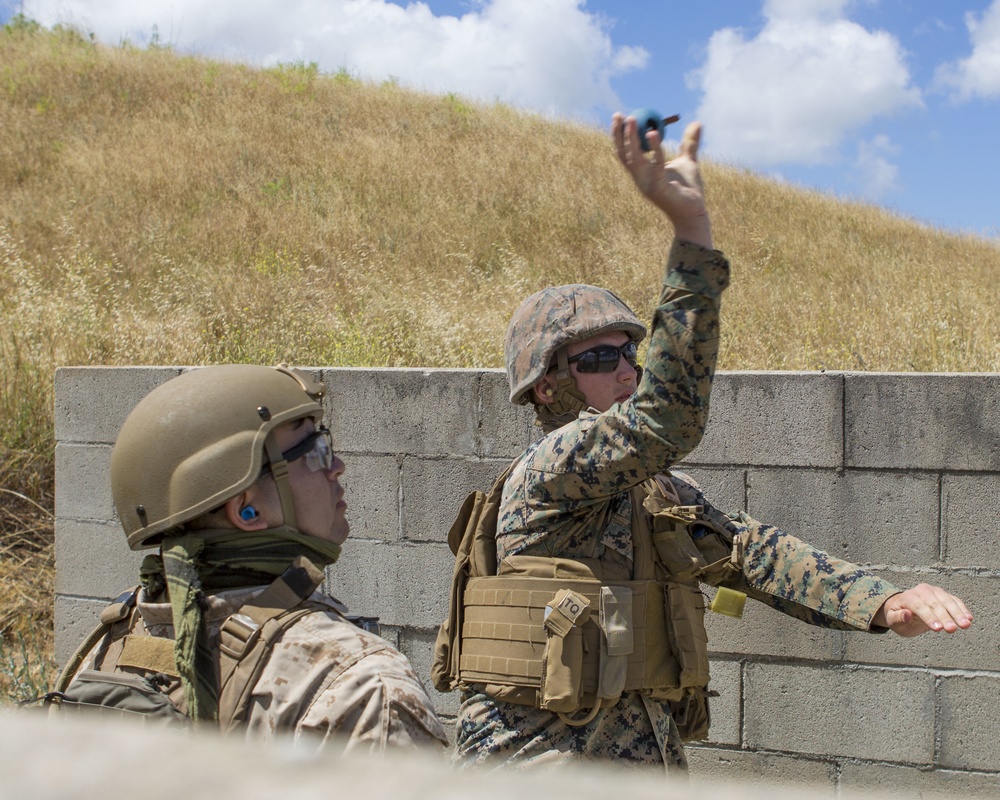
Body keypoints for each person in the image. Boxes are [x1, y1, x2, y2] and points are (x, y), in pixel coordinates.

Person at [447, 114, 973, 773]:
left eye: (631, 353)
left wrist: (884, 604)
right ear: (546, 389)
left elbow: (754, 554)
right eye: (601, 357)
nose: (627, 370)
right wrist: (692, 237)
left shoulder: (654, 495)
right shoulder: (550, 473)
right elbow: (665, 420)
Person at [54, 363, 448, 753]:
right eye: (316, 451)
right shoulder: (360, 685)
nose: (337, 467)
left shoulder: (111, 643)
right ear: (248, 510)